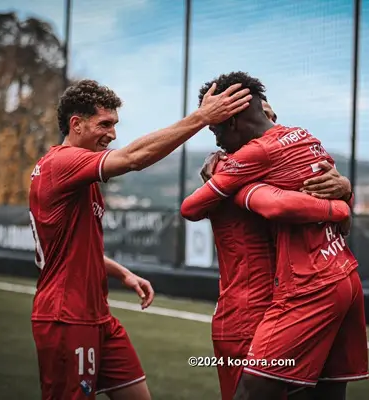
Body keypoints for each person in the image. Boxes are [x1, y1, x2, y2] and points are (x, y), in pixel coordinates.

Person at [28, 78, 252, 400]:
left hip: (98, 315)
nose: (113, 134)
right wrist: (201, 117)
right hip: (67, 316)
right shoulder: (61, 164)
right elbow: (133, 158)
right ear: (76, 124)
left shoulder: (77, 174)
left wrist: (123, 273)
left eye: (115, 124)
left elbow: (69, 251)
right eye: (104, 124)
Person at [180, 72, 369, 400]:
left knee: (253, 392)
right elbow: (321, 191)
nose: (217, 142)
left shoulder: (253, 160)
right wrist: (344, 200)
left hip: (288, 294)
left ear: (235, 121)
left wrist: (343, 202)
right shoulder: (303, 139)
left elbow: (196, 207)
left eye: (215, 129)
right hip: (339, 274)